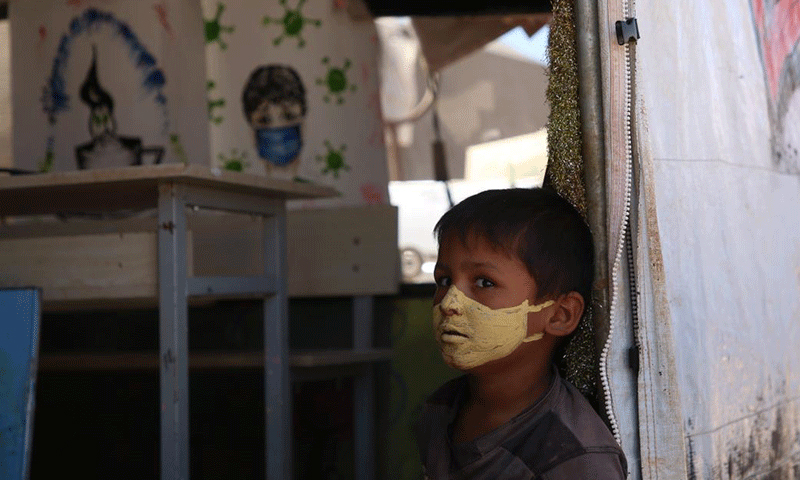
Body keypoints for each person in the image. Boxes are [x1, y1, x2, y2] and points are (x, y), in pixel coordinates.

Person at [417, 188, 627, 479]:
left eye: (484, 282)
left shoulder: (575, 457)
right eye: (444, 280)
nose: (449, 303)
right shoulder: (439, 409)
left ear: (559, 315)